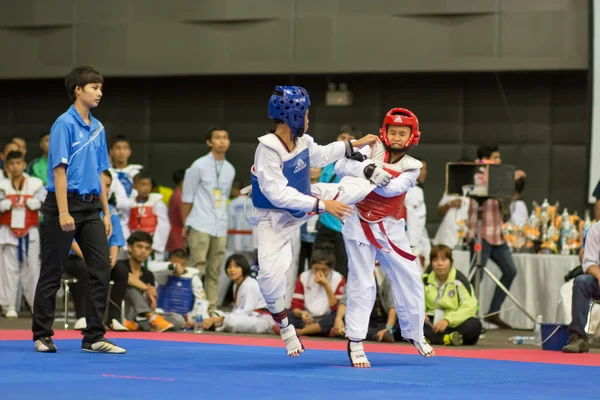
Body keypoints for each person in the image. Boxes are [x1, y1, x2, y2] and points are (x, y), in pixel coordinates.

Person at [248, 85, 379, 357]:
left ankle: (377, 172)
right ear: (294, 115)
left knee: (351, 191)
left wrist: (354, 145)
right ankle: (285, 327)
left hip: (305, 202)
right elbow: (278, 194)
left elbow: (320, 154)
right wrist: (322, 206)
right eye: (306, 114)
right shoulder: (268, 148)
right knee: (269, 279)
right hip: (274, 219)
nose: (308, 119)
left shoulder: (304, 142)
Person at [31, 65, 126, 354]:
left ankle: (94, 336)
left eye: (100, 87)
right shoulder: (64, 124)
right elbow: (59, 171)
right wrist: (62, 212)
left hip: (90, 209)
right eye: (94, 87)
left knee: (99, 269)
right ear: (78, 90)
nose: (99, 92)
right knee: (53, 269)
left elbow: (101, 173)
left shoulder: (98, 128)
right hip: (62, 204)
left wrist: (106, 212)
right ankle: (42, 334)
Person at [334, 107, 435, 367]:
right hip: (357, 221)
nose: (398, 137)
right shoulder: (371, 148)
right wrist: (368, 169)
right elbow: (340, 165)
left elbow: (392, 190)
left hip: (390, 227)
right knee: (362, 279)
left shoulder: (413, 167)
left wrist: (370, 172)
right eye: (393, 131)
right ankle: (355, 342)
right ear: (384, 132)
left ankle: (415, 333)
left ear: (413, 136)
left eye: (403, 133)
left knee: (411, 276)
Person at [64, 170, 129, 331]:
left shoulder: (111, 211)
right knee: (85, 268)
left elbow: (115, 239)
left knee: (121, 270)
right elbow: (71, 240)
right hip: (76, 258)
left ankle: (113, 317)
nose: (104, 189)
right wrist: (91, 257)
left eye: (107, 186)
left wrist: (111, 258)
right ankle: (82, 316)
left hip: (101, 257)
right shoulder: (78, 206)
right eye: (101, 185)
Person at [182, 125, 235, 314]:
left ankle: (211, 308)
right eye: (218, 137)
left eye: (225, 137)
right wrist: (184, 224)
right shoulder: (198, 165)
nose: (222, 141)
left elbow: (224, 196)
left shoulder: (230, 169)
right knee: (197, 268)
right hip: (199, 222)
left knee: (215, 270)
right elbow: (187, 197)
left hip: (220, 224)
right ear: (209, 142)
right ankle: (190, 308)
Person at [467, 144, 519, 329]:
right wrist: (510, 179)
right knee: (476, 276)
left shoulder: (498, 177)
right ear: (484, 160)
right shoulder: (477, 176)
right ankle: (468, 314)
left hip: (497, 234)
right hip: (480, 234)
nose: (499, 161)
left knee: (510, 270)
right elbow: (491, 190)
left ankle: (493, 312)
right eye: (495, 157)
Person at [0, 151, 45, 318]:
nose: (15, 167)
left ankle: (36, 305)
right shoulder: (1, 184)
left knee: (33, 269)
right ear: (6, 166)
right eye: (11, 164)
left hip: (30, 232)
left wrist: (37, 203)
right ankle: (9, 305)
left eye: (18, 163)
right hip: (7, 232)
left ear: (24, 165)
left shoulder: (35, 184)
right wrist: (4, 204)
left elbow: (47, 203)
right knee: (7, 270)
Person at [313, 125, 360, 278]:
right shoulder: (327, 164)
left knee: (341, 271)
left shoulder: (359, 167)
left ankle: (339, 302)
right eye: (342, 138)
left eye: (349, 139)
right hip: (325, 225)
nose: (344, 141)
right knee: (318, 266)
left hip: (344, 227)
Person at [422, 244, 481, 346]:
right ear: (431, 263)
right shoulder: (425, 279)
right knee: (410, 321)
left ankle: (431, 339)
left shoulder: (460, 280)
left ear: (451, 262)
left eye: (444, 260)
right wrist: (421, 313)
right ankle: (447, 339)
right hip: (432, 323)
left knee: (475, 325)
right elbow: (416, 300)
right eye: (435, 260)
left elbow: (470, 306)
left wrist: (447, 320)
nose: (439, 264)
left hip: (454, 322)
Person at [120, 231, 177, 332]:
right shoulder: (120, 265)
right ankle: (144, 321)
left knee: (177, 319)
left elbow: (151, 301)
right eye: (139, 247)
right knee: (129, 285)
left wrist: (152, 299)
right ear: (129, 247)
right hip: (119, 312)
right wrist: (146, 288)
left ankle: (137, 325)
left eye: (147, 248)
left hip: (138, 316)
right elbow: (126, 277)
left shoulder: (148, 274)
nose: (143, 251)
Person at [287, 246, 345, 337]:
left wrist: (326, 286)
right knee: (285, 314)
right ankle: (317, 330)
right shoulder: (303, 277)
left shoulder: (338, 279)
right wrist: (302, 313)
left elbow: (337, 308)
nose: (319, 273)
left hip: (327, 318)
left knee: (339, 317)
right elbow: (295, 306)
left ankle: (303, 331)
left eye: (324, 270)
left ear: (330, 269)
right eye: (316, 269)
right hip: (307, 318)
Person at [210, 254, 273, 334]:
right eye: (229, 267)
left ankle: (217, 324)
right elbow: (237, 309)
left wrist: (220, 318)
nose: (232, 270)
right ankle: (218, 324)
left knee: (231, 321)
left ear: (243, 268)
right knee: (215, 314)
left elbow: (246, 311)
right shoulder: (236, 284)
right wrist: (220, 317)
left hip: (262, 319)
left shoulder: (250, 284)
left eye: (236, 266)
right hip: (247, 317)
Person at [563, 221, 600, 353]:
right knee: (582, 282)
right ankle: (578, 337)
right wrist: (598, 274)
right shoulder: (596, 229)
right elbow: (589, 262)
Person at [128, 171, 170, 262]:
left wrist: (155, 246)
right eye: (142, 184)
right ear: (134, 186)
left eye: (148, 185)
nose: (146, 188)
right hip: (134, 244)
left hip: (152, 246)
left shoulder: (158, 204)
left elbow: (164, 226)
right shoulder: (129, 204)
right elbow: (125, 223)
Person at [166, 169, 186, 253]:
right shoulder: (179, 196)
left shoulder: (177, 194)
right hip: (178, 235)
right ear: (182, 181)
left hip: (177, 234)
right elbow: (184, 218)